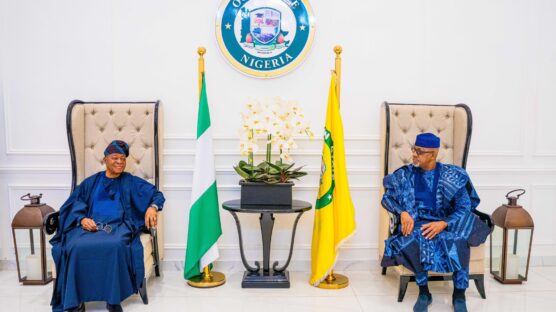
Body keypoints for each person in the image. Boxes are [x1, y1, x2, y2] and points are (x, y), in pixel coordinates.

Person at [381, 133, 491, 312]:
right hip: (417, 223)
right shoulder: (405, 175)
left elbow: (464, 207)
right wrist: (402, 213)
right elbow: (387, 198)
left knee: (458, 240)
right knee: (414, 238)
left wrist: (443, 223)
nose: (414, 154)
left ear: (433, 154)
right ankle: (424, 292)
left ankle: (459, 293)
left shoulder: (452, 176)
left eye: (419, 151)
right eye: (414, 149)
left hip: (446, 223)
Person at [50, 140, 165, 312]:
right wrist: (81, 219)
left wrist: (152, 207)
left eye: (123, 159)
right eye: (115, 158)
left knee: (115, 245)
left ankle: (113, 299)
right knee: (74, 246)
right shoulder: (91, 183)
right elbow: (74, 204)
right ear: (105, 160)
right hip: (90, 227)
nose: (120, 162)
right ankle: (76, 301)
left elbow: (157, 194)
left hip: (119, 226)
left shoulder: (130, 182)